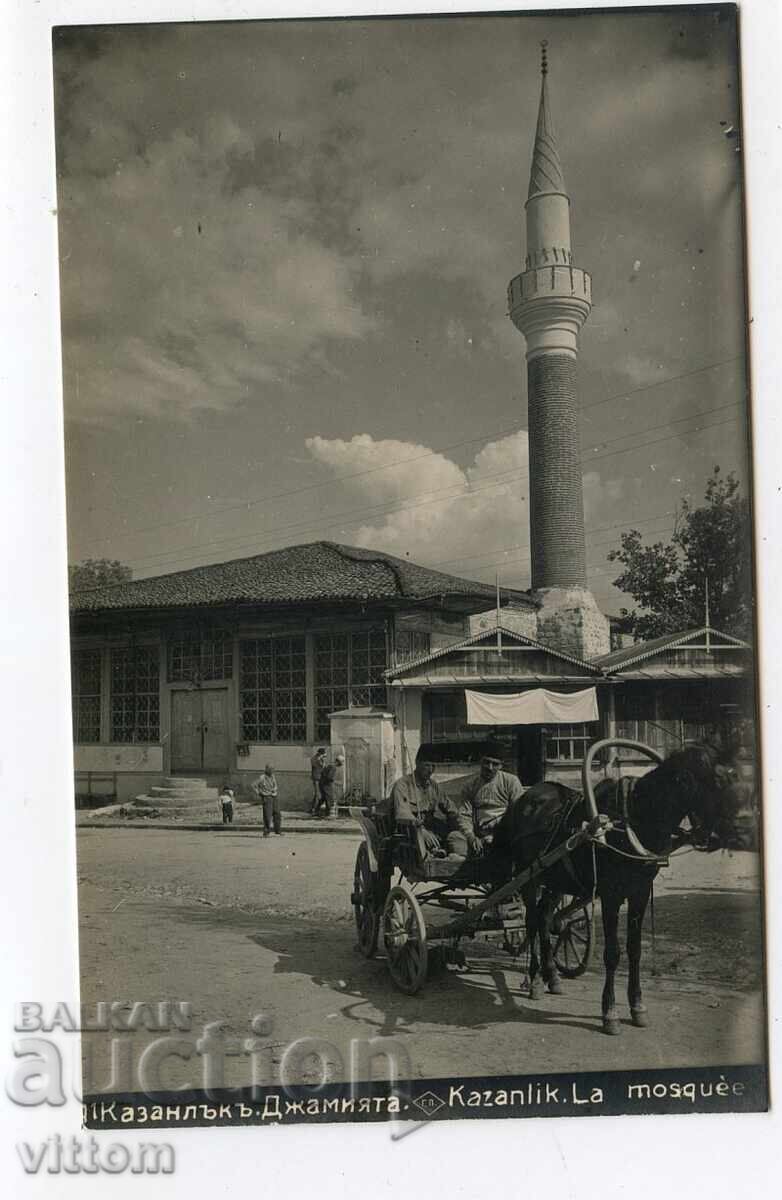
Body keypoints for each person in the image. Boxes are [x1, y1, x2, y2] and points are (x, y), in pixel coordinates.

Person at [378, 744, 467, 861]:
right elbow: (402, 814)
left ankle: (456, 856)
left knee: (456, 836)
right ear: (417, 763)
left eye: (433, 765)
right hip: (408, 833)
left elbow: (451, 809)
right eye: (427, 765)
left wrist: (463, 824)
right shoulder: (403, 785)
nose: (431, 770)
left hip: (430, 830)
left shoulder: (434, 786)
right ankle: (435, 853)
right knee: (421, 838)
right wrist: (421, 831)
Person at [456, 741, 524, 857]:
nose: (490, 768)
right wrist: (471, 837)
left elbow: (518, 813)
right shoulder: (470, 785)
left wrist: (499, 836)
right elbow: (464, 815)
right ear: (480, 762)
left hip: (503, 835)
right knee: (455, 839)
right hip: (478, 834)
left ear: (501, 765)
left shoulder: (511, 782)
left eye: (495, 764)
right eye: (486, 762)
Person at [254, 763, 282, 837]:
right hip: (267, 797)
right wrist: (259, 793)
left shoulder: (272, 776)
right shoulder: (262, 777)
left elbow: (275, 785)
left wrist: (274, 789)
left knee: (277, 813)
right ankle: (266, 832)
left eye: (273, 769)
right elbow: (254, 785)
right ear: (267, 769)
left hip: (274, 796)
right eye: (271, 769)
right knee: (267, 815)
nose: (272, 771)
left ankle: (278, 830)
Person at [318, 753, 344, 818]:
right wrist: (334, 781)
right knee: (329, 798)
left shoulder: (330, 765)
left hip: (322, 783)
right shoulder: (333, 767)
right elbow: (329, 777)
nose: (341, 764)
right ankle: (328, 814)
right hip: (326, 785)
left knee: (324, 798)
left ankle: (316, 810)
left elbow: (323, 773)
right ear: (338, 762)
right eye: (341, 763)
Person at [309, 747, 327, 816]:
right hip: (316, 778)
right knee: (317, 794)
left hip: (321, 778)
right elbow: (319, 766)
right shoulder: (314, 759)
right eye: (324, 754)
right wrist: (320, 759)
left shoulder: (321, 759)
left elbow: (323, 767)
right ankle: (314, 809)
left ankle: (314, 808)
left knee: (319, 794)